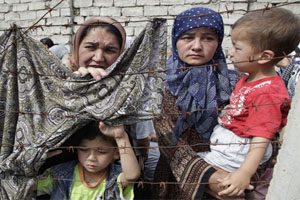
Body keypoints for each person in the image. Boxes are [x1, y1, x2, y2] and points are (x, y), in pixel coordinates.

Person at [197, 7, 300, 198]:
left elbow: (262, 135)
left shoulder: (268, 92)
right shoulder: (250, 79)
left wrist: (244, 173)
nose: (230, 52)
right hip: (229, 150)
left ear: (265, 56)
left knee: (209, 180)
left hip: (239, 155)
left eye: (237, 47)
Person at [152, 7, 237, 199]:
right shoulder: (160, 83)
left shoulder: (235, 84)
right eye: (188, 37)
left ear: (218, 42)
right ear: (175, 40)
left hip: (229, 178)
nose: (197, 46)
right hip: (174, 177)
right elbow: (168, 138)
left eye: (208, 38)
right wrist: (209, 177)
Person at [37, 121, 140, 199]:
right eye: (83, 149)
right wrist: (34, 160)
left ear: (116, 154)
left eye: (101, 151)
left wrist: (120, 137)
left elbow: (131, 175)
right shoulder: (59, 174)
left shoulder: (114, 177)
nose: (91, 158)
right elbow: (27, 186)